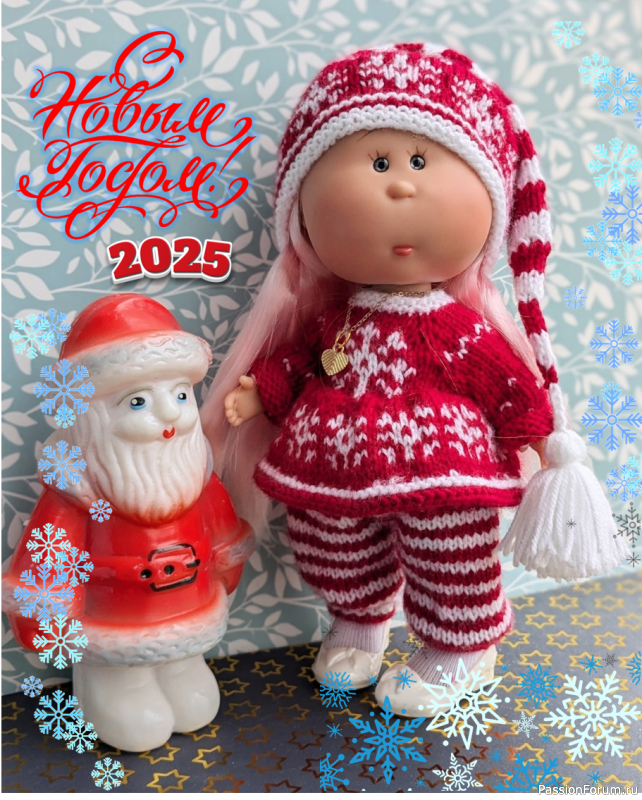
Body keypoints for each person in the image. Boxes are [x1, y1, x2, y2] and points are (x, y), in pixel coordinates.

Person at [201, 44, 624, 715]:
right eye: (379, 163)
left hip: (443, 468)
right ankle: (359, 622)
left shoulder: (458, 330)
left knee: (448, 556)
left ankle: (463, 646)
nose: (401, 186)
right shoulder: (334, 321)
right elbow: (300, 361)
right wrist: (262, 391)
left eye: (421, 162)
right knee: (333, 546)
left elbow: (506, 384)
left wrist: (543, 437)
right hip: (329, 463)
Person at [2, 294, 254, 750]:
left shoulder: (196, 476)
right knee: (138, 724)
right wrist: (47, 612)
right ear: (91, 419)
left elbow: (223, 536)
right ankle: (114, 688)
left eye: (180, 394)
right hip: (111, 627)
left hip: (191, 613)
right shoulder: (76, 494)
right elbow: (49, 555)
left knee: (195, 700)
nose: (170, 415)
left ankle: (178, 670)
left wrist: (225, 560)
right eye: (137, 401)